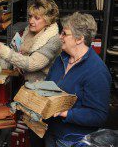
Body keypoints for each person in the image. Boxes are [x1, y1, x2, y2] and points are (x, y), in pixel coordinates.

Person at [0, 0, 62, 147]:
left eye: (37, 18)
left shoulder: (54, 39)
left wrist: (6, 52)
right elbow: (21, 55)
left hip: (44, 93)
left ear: (47, 20)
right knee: (32, 130)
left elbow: (33, 63)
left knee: (40, 135)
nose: (31, 21)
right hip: (30, 89)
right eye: (30, 16)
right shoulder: (29, 32)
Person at [44, 12, 111, 147]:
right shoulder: (61, 59)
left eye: (64, 33)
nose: (60, 36)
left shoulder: (96, 71)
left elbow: (99, 115)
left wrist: (66, 113)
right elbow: (50, 85)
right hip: (51, 132)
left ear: (79, 39)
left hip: (71, 140)